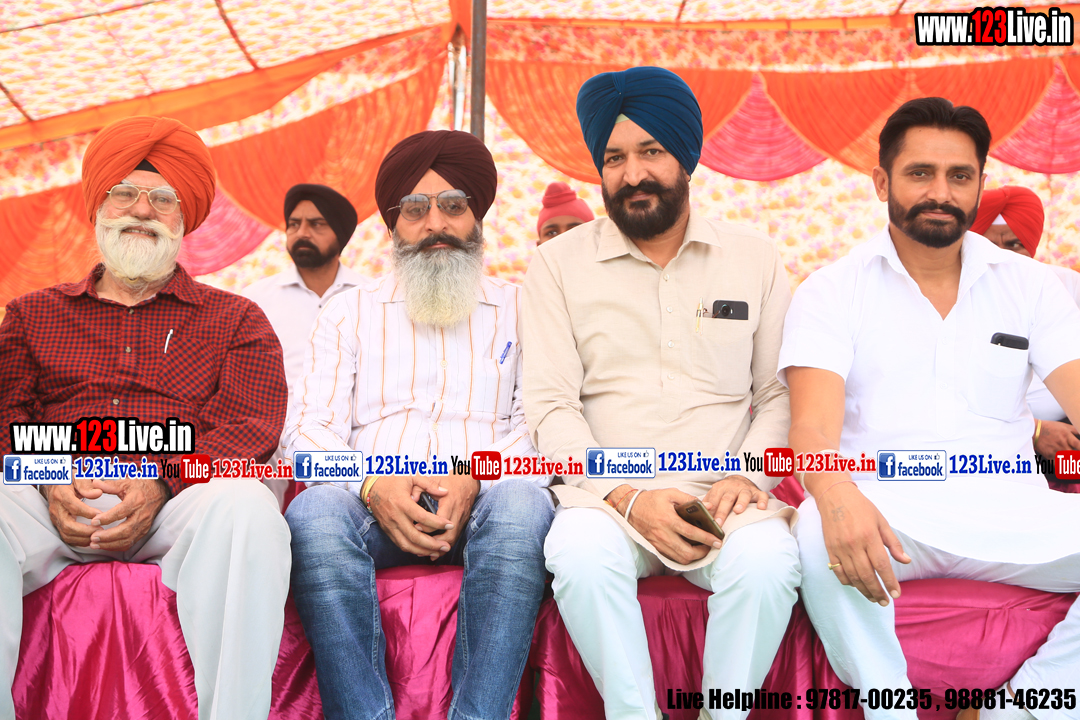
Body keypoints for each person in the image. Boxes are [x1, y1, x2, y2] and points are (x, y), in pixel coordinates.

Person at [780, 98, 1080, 720]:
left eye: (959, 175)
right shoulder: (833, 290)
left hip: (1011, 509)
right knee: (813, 530)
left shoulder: (1031, 286)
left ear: (978, 184)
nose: (941, 192)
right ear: (882, 182)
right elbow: (810, 427)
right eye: (920, 173)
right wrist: (834, 495)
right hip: (890, 514)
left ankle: (1021, 711)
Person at [522, 67, 799, 720]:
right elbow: (552, 406)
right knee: (578, 556)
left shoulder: (754, 258)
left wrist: (746, 476)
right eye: (614, 158)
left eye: (650, 151)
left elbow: (777, 393)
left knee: (766, 564)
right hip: (606, 499)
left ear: (685, 157)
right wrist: (626, 496)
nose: (632, 174)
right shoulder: (556, 265)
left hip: (725, 494)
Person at [0, 116, 291, 720]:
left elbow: (248, 427)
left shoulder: (235, 319)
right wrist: (50, 481)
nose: (142, 210)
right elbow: (5, 415)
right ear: (97, 206)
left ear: (185, 218)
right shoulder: (32, 315)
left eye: (162, 199)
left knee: (246, 507)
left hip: (173, 505)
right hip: (50, 500)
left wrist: (161, 482)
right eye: (124, 193)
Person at [283, 130, 554, 720]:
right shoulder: (347, 312)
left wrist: (475, 478)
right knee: (312, 514)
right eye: (415, 209)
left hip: (485, 503)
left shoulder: (522, 309)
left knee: (523, 508)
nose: (436, 224)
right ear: (393, 225)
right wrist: (371, 487)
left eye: (453, 205)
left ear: (477, 216)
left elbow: (541, 424)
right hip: (373, 504)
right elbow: (306, 431)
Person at [243, 184, 368, 505]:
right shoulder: (255, 300)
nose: (302, 233)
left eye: (317, 224)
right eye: (294, 224)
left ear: (340, 233)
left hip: (349, 431)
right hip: (273, 432)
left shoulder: (370, 297)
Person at [971, 186, 1080, 481]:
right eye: (988, 245)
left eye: (1014, 245)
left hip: (1068, 433)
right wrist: (1036, 431)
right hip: (986, 446)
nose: (1001, 256)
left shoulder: (1065, 284)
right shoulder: (950, 296)